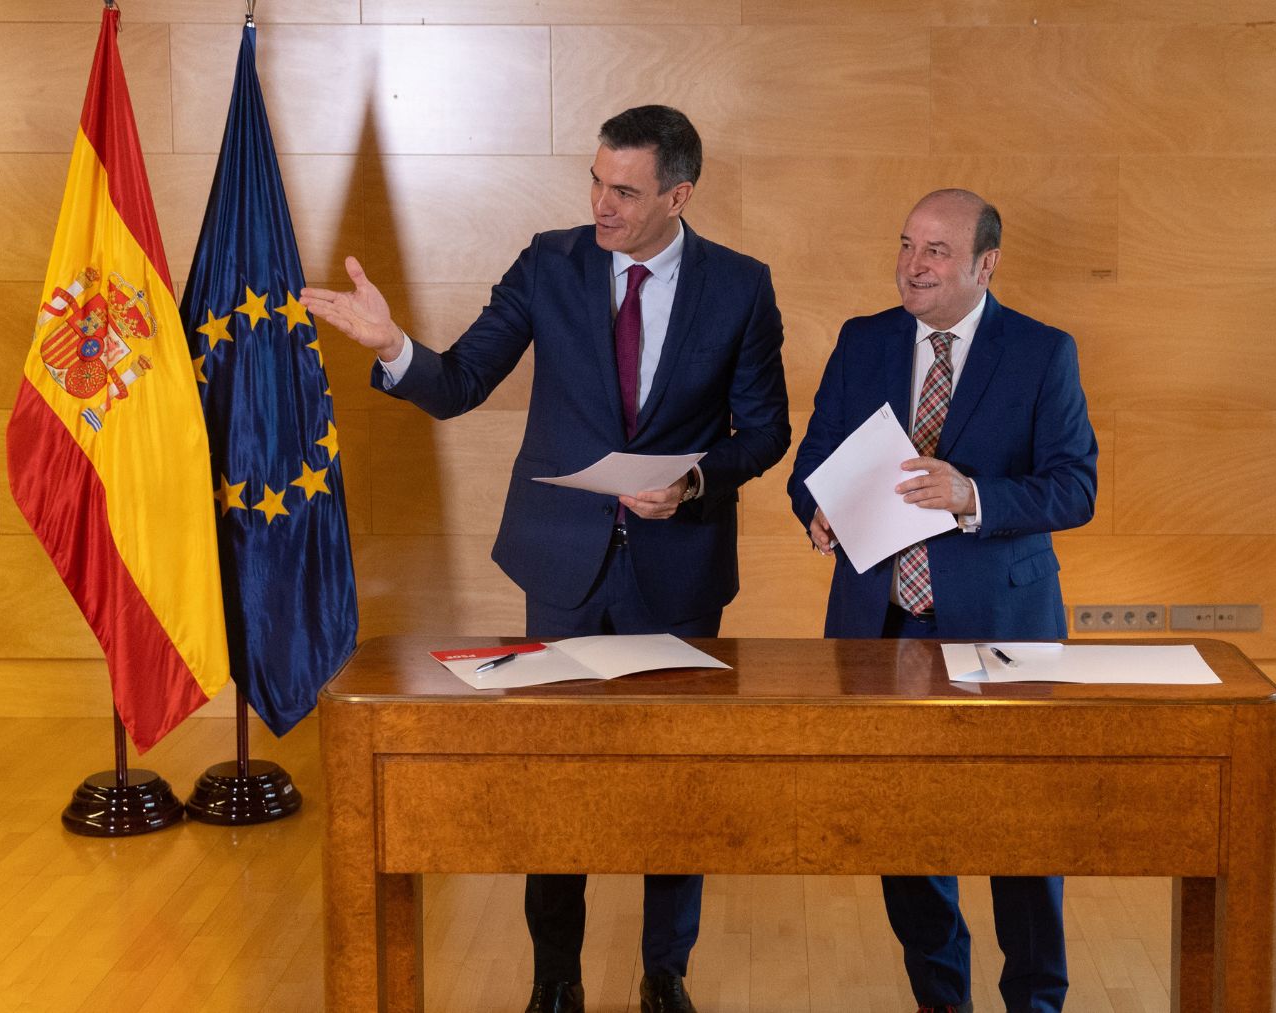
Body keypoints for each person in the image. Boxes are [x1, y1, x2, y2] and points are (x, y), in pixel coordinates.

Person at [304, 105, 790, 1013]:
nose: (601, 204)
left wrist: (690, 480)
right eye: (596, 181)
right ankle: (554, 980)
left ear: (678, 194)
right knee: (550, 776)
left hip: (676, 571)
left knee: (672, 784)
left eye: (625, 190)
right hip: (561, 568)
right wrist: (393, 347)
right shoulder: (549, 262)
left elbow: (764, 433)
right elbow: (459, 382)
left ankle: (663, 972)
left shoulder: (740, 287)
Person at [786, 189, 1097, 1013]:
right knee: (907, 825)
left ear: (984, 264)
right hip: (882, 630)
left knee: (1021, 830)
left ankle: (1035, 999)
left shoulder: (1042, 352)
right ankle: (940, 996)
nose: (911, 265)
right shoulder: (862, 341)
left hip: (1005, 628)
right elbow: (814, 457)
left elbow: (1075, 487)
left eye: (935, 251)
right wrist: (814, 507)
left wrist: (973, 496)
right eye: (906, 244)